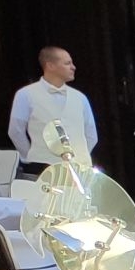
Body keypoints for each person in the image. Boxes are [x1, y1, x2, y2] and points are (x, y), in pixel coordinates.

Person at [8, 47, 97, 175]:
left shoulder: (80, 97)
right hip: (42, 169)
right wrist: (32, 156)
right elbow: (16, 131)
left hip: (79, 169)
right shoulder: (25, 95)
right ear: (50, 65)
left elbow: (91, 134)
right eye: (67, 63)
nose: (73, 67)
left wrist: (80, 156)